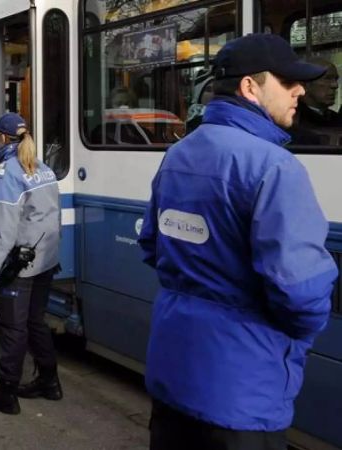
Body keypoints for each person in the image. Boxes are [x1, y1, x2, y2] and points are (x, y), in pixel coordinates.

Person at [138, 34, 337, 450]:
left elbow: (152, 247)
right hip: (242, 391)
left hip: (173, 375)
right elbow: (301, 294)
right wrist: (294, 338)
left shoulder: (178, 154)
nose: (299, 90)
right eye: (287, 81)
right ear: (251, 87)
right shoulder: (276, 167)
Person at [0, 113, 62, 415]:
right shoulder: (44, 168)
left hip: (18, 266)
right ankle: (49, 382)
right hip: (44, 262)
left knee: (12, 327)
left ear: (2, 137)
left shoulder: (7, 173)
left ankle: (6, 392)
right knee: (36, 322)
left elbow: (2, 227)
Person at [290, 57, 342, 145]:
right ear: (305, 84)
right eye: (327, 78)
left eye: (335, 79)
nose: (335, 85)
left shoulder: (337, 119)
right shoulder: (291, 120)